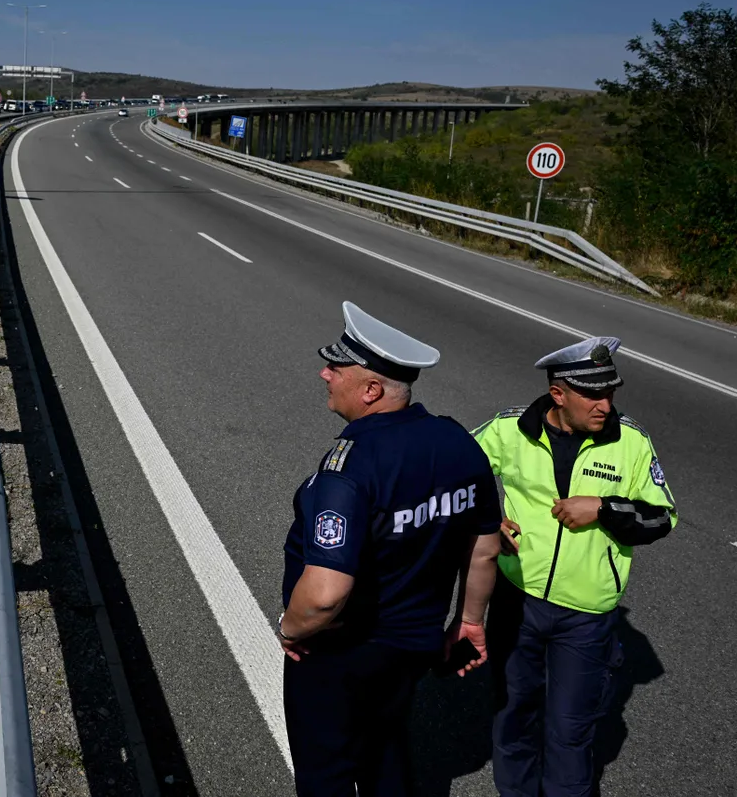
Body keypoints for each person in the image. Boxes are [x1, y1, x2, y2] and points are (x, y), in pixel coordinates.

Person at [280, 302, 503, 797]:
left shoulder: (349, 469)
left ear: (371, 390)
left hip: (340, 652)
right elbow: (484, 549)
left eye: (335, 368)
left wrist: (290, 629)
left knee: (327, 773)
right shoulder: (458, 442)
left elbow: (324, 594)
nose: (324, 374)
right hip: (412, 648)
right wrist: (469, 622)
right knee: (385, 756)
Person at [472, 337, 677, 797]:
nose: (606, 405)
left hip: (586, 614)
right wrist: (487, 519)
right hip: (516, 599)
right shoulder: (510, 429)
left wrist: (603, 508)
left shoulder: (632, 441)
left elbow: (662, 517)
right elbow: (456, 469)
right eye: (594, 395)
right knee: (513, 717)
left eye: (611, 393)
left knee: (569, 730)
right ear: (559, 394)